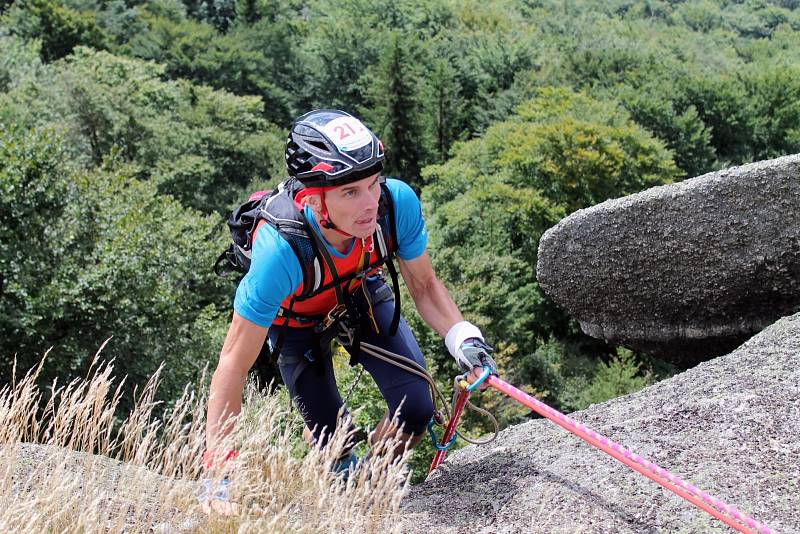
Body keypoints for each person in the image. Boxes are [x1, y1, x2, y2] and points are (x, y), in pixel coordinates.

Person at [202, 109, 496, 512]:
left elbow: (425, 286)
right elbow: (232, 366)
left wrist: (463, 337)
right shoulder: (281, 252)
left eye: (373, 184)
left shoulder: (396, 205)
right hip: (296, 324)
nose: (370, 204)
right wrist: (219, 474)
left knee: (416, 409)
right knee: (333, 441)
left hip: (357, 289)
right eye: (350, 192)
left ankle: (371, 488)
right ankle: (338, 466)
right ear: (310, 197)